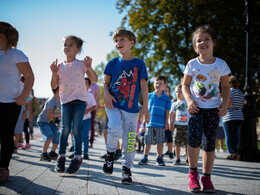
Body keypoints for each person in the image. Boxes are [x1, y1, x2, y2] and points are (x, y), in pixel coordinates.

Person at [182, 25, 231, 193]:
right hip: (196, 108)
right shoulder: (192, 64)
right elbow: (185, 85)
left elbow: (225, 87)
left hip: (213, 110)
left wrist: (225, 104)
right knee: (194, 138)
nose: (203, 42)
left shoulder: (221, 64)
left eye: (206, 39)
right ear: (195, 46)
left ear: (214, 43)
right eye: (199, 40)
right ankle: (193, 173)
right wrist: (189, 100)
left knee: (209, 142)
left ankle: (206, 177)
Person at [102, 28, 150, 185]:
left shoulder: (139, 64)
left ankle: (126, 170)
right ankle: (110, 155)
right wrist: (107, 94)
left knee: (129, 140)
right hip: (113, 104)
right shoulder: (113, 63)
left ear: (131, 43)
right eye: (116, 41)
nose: (118, 43)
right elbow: (105, 82)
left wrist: (145, 108)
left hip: (131, 108)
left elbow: (144, 87)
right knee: (114, 127)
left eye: (121, 40)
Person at [50, 35, 98, 174]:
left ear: (78, 49)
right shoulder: (60, 66)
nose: (67, 47)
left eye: (71, 45)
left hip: (80, 100)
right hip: (65, 101)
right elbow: (54, 85)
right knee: (65, 129)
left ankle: (77, 157)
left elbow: (94, 79)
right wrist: (53, 73)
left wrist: (89, 67)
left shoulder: (81, 64)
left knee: (76, 129)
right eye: (65, 44)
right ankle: (61, 157)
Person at [0, 21, 34, 183]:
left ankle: (3, 168)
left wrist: (24, 95)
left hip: (10, 103)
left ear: (1, 36)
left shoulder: (16, 54)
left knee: (6, 136)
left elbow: (29, 76)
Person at [138, 75, 171, 166]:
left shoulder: (167, 99)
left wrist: (166, 122)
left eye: (160, 83)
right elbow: (145, 109)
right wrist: (144, 120)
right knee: (147, 141)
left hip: (161, 124)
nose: (158, 85)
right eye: (156, 83)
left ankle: (159, 158)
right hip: (150, 123)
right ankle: (145, 157)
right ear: (153, 84)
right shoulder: (148, 96)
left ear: (164, 85)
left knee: (160, 142)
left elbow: (167, 112)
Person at [69, 78, 97, 160]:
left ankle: (85, 153)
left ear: (89, 86)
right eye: (82, 83)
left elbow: (94, 106)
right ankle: (75, 151)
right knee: (76, 135)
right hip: (77, 119)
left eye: (86, 83)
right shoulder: (76, 95)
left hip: (87, 119)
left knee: (85, 136)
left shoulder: (90, 96)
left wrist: (87, 110)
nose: (84, 85)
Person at [223, 76, 244, 160]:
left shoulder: (230, 91)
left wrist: (223, 105)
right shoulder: (240, 93)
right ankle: (236, 152)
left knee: (229, 135)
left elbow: (229, 104)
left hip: (230, 116)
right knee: (236, 135)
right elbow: (242, 106)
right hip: (239, 116)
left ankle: (233, 153)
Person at [37, 86, 61, 162]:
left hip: (51, 122)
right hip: (43, 121)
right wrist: (60, 114)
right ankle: (43, 154)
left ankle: (52, 153)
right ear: (57, 90)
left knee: (57, 135)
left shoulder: (61, 101)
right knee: (49, 136)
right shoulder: (51, 101)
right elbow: (49, 114)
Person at [169, 84, 189, 165]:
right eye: (177, 92)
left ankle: (188, 158)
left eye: (180, 92)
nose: (178, 93)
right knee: (177, 143)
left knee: (187, 143)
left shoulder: (187, 102)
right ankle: (177, 158)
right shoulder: (174, 104)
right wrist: (170, 123)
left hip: (187, 126)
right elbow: (171, 114)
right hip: (177, 126)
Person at [163, 85, 174, 159]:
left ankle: (170, 151)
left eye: (166, 91)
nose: (164, 92)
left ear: (169, 93)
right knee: (161, 138)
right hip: (161, 121)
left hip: (169, 122)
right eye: (163, 91)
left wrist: (171, 122)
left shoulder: (171, 102)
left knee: (169, 138)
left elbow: (173, 113)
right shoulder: (161, 100)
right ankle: (160, 154)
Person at [88, 82, 100, 148]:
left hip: (92, 107)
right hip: (84, 107)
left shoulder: (96, 86)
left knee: (91, 125)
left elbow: (98, 97)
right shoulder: (85, 83)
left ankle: (91, 142)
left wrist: (97, 107)